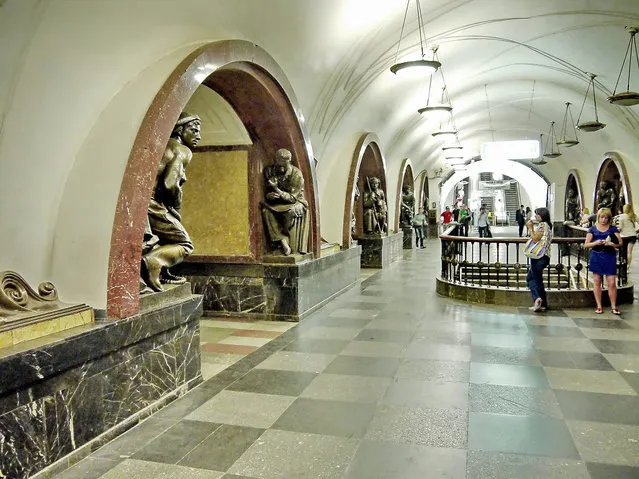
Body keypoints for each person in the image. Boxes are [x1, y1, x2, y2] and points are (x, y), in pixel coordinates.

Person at [141, 112, 200, 293]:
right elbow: (169, 184)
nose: (198, 135)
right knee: (184, 244)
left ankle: (162, 273)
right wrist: (174, 207)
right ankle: (153, 262)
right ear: (180, 130)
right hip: (152, 203)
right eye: (193, 130)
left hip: (143, 201)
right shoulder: (182, 150)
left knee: (165, 238)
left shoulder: (163, 146)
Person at [262, 148, 310, 255]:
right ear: (276, 160)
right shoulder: (269, 171)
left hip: (295, 202)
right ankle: (283, 241)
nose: (282, 168)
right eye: (280, 165)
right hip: (277, 203)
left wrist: (276, 189)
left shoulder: (297, 174)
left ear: (290, 162)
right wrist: (270, 195)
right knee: (266, 211)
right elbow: (266, 191)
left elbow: (293, 198)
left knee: (291, 212)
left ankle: (286, 240)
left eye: (285, 165)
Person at [585, 208, 622, 315]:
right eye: (602, 217)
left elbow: (620, 243)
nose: (604, 220)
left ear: (609, 218)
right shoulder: (592, 229)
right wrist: (596, 243)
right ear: (598, 217)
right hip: (596, 256)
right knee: (597, 281)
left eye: (606, 217)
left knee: (611, 282)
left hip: (609, 256)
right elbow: (586, 244)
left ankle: (614, 306)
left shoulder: (613, 229)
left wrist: (611, 244)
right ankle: (599, 306)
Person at [525, 207, 553, 312]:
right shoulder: (548, 226)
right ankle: (542, 303)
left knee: (536, 280)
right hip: (544, 256)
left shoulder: (542, 225)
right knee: (531, 278)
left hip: (539, 256)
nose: (535, 216)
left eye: (537, 214)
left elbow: (535, 238)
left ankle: (538, 299)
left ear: (542, 215)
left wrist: (530, 228)